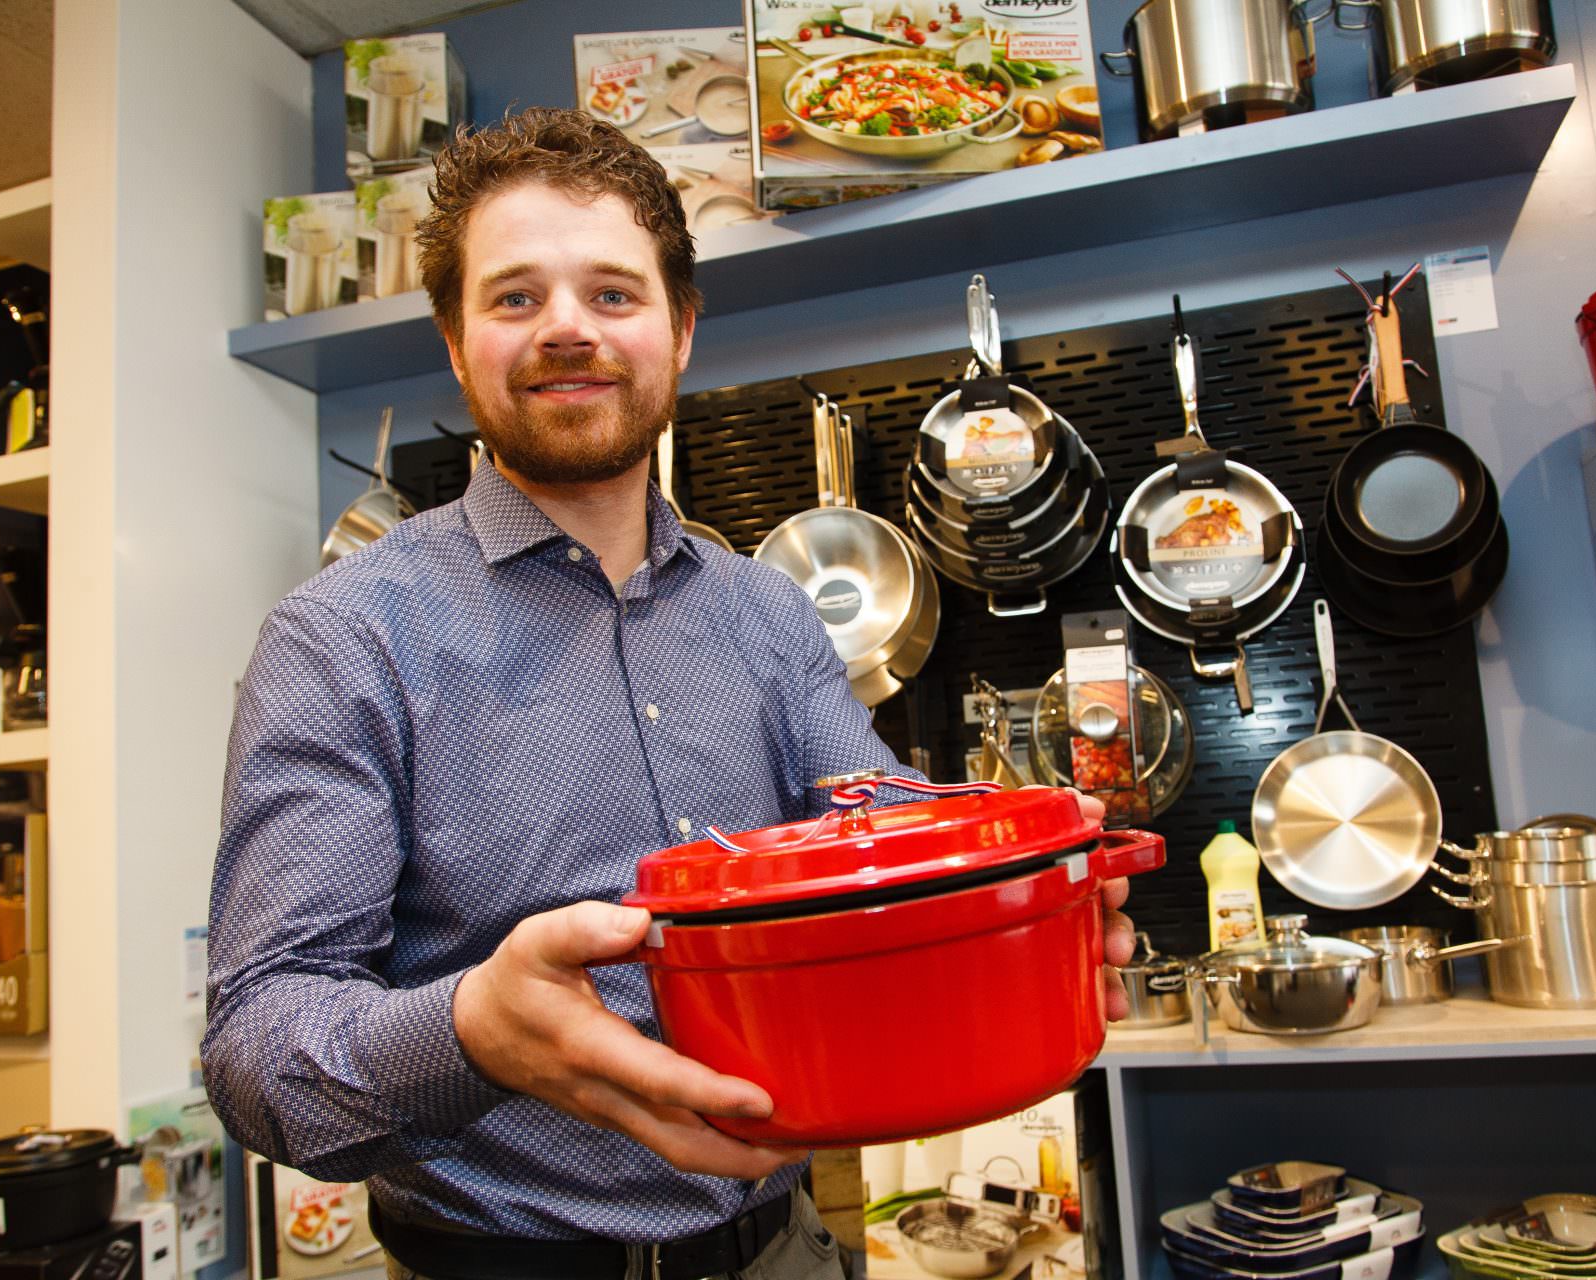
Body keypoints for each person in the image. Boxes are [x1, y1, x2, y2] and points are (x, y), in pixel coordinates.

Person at [202, 107, 1137, 1280]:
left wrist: (1017, 888)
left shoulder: (767, 614)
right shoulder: (343, 638)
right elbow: (256, 1049)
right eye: (514, 297)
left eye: (612, 293)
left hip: (785, 1248)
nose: (566, 331)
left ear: (681, 331)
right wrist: (473, 1032)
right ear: (454, 340)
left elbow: (878, 829)